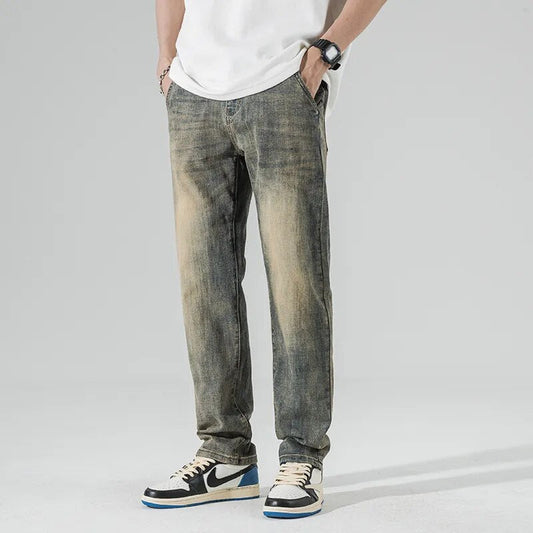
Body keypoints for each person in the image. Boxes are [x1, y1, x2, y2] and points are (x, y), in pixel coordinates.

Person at [142, 0, 387, 519]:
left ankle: (302, 456)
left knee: (296, 282)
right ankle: (224, 454)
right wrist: (167, 59)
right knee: (203, 282)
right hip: (193, 91)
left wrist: (328, 50)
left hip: (283, 81)